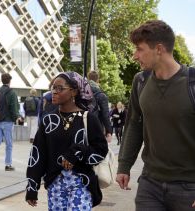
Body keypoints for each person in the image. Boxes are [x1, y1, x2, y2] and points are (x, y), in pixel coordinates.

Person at [117, 20, 195, 210]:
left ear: (159, 49)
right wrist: (124, 165)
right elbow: (134, 124)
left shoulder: (192, 82)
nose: (135, 56)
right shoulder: (140, 81)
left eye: (139, 49)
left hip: (189, 187)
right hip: (150, 184)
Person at [26, 71, 108, 210]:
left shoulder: (88, 118)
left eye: (60, 88)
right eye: (53, 88)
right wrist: (32, 187)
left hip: (81, 183)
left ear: (74, 92)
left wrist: (77, 152)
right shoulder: (48, 120)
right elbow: (38, 154)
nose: (54, 92)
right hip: (55, 185)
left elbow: (101, 150)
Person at [87, 70, 113, 143]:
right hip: (96, 128)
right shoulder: (101, 95)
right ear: (98, 80)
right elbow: (105, 115)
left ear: (88, 78)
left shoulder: (81, 93)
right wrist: (109, 131)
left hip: (82, 126)